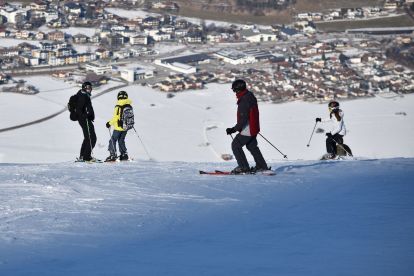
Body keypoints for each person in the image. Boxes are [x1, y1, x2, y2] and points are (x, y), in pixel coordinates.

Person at [226, 79, 269, 174]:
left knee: (236, 145)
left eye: (234, 90)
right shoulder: (250, 95)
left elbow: (243, 119)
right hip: (254, 127)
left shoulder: (244, 101)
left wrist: (233, 129)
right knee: (252, 146)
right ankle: (262, 166)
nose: (234, 92)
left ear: (238, 90)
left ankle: (243, 167)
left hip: (248, 128)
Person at [105, 91, 132, 162]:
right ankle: (124, 155)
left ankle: (112, 155)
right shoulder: (128, 105)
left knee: (113, 140)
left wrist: (109, 123)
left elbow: (116, 117)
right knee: (121, 140)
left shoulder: (118, 105)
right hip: (126, 127)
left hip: (118, 127)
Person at [76, 81, 97, 161]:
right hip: (85, 119)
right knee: (92, 138)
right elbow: (78, 110)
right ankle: (86, 157)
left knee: (87, 138)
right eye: (88, 88)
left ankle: (83, 156)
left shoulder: (84, 95)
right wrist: (86, 115)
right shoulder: (83, 96)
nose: (90, 89)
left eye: (91, 88)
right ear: (84, 88)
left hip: (85, 119)